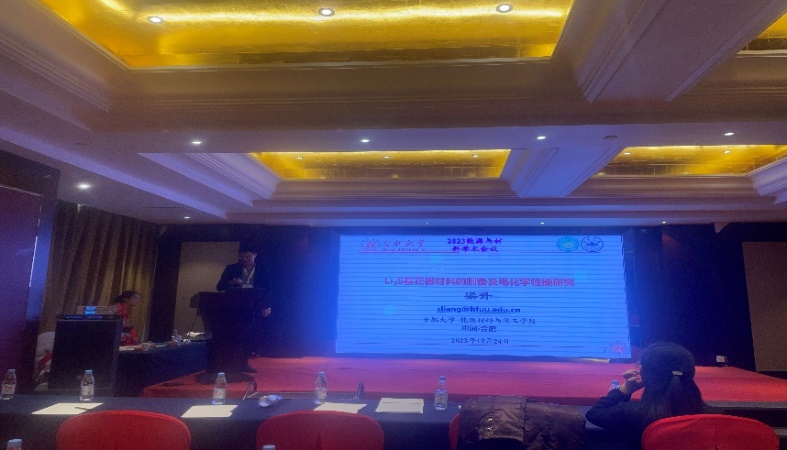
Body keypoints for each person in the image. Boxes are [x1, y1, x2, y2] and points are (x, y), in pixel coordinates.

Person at [585, 341, 712, 450]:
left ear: (644, 373)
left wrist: (625, 389)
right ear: (691, 373)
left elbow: (594, 414)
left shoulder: (632, 414)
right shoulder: (714, 415)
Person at [216, 245, 272, 368]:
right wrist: (231, 283)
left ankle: (244, 362)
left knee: (250, 334)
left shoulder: (263, 270)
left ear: (255, 255)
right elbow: (219, 286)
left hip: (255, 306)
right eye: (242, 257)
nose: (245, 259)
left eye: (248, 256)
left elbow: (268, 289)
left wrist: (267, 306)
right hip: (235, 306)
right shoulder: (232, 268)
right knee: (235, 334)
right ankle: (232, 362)